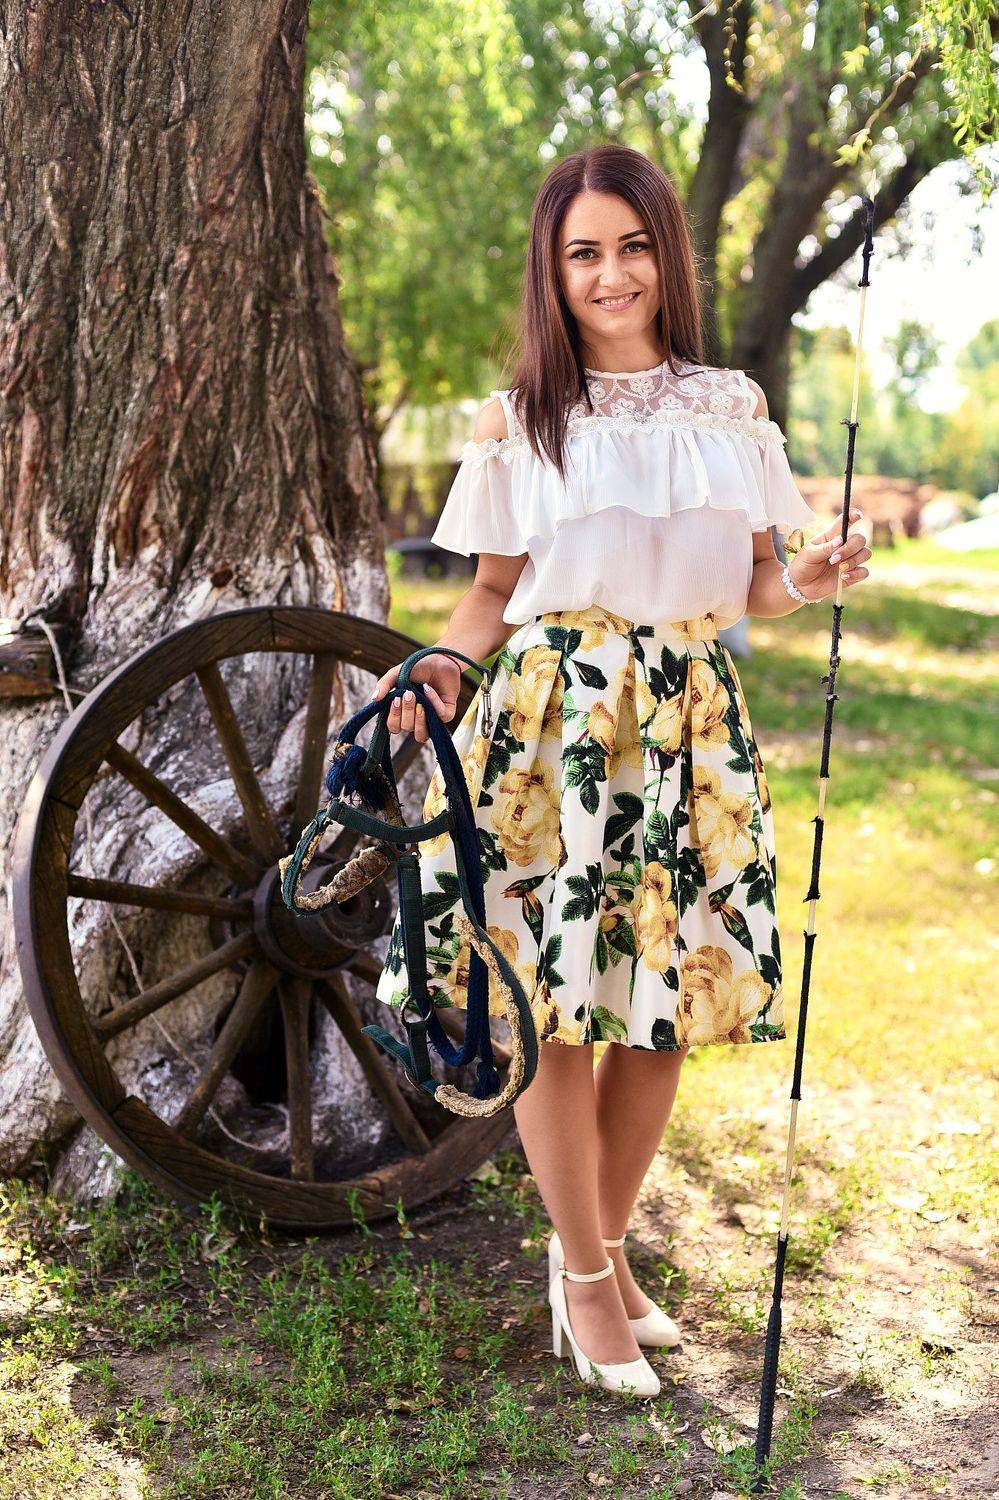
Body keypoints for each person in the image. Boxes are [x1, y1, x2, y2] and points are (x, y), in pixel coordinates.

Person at [372, 143, 871, 1398]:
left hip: (691, 724)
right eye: (584, 252)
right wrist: (437, 671)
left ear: (667, 257)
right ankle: (590, 1279)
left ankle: (587, 1251)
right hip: (549, 728)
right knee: (553, 1005)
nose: (611, 274)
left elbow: (757, 579)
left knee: (666, 1001)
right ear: (553, 269)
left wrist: (806, 579)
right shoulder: (520, 419)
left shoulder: (730, 408)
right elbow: (490, 593)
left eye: (633, 246)